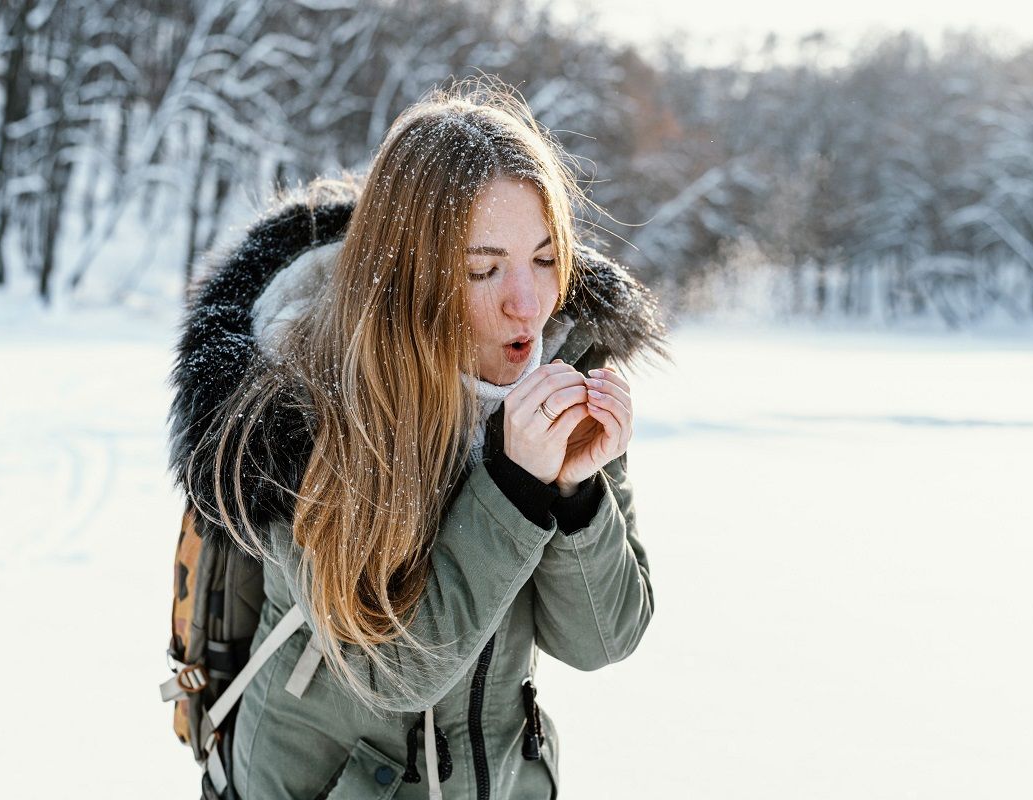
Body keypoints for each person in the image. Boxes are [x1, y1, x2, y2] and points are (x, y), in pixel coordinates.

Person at [168, 79, 669, 800]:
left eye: (545, 257)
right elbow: (389, 669)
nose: (525, 303)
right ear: (408, 274)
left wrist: (576, 492)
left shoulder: (566, 363)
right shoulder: (299, 401)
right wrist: (515, 488)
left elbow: (602, 638)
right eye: (482, 268)